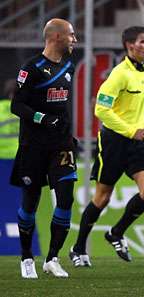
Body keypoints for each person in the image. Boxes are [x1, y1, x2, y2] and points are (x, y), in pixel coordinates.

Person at [69, 26, 144, 266]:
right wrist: (131, 129)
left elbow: (135, 110)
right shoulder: (118, 74)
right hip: (113, 142)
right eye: (143, 42)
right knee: (103, 197)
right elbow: (101, 110)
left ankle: (116, 233)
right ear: (129, 46)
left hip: (137, 142)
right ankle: (78, 249)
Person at [10, 18, 77, 278]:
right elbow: (17, 105)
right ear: (56, 37)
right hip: (33, 146)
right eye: (71, 34)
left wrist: (69, 135)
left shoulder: (69, 64)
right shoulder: (32, 68)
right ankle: (27, 257)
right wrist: (41, 118)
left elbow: (64, 106)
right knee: (30, 203)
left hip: (61, 144)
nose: (75, 39)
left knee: (66, 198)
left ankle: (52, 259)